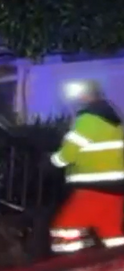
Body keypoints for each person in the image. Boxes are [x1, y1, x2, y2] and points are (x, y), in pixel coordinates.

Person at [48, 80, 124, 254]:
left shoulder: (89, 119)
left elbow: (70, 150)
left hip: (93, 187)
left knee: (64, 230)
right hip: (114, 188)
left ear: (85, 95)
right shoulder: (113, 121)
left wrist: (52, 161)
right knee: (112, 234)